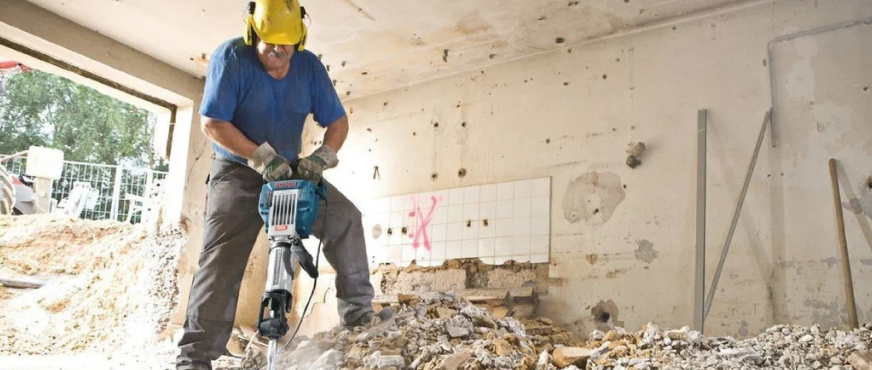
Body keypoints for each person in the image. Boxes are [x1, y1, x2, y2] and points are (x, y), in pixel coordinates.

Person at [176, 1, 383, 368]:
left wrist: (321, 158)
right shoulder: (232, 58)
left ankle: (358, 316)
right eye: (269, 40)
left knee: (346, 219)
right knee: (221, 258)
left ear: (300, 38)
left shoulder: (309, 68)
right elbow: (213, 122)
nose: (277, 50)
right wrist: (259, 157)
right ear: (252, 31)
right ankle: (195, 357)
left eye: (286, 42)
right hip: (238, 168)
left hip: (291, 171)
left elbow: (338, 123)